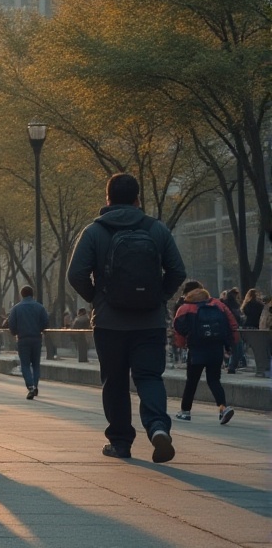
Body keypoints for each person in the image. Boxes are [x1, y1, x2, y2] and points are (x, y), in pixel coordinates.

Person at [68, 172, 186, 464]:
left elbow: (75, 274)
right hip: (149, 322)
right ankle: (158, 427)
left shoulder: (94, 231)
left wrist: (97, 297)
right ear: (137, 199)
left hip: (110, 323)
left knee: (115, 381)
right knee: (149, 376)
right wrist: (158, 297)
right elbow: (178, 272)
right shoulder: (156, 229)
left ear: (107, 199)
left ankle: (120, 442)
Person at [172, 280, 238, 425]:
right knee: (214, 380)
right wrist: (230, 345)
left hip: (196, 350)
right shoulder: (219, 305)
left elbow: (178, 329)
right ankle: (223, 408)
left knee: (192, 381)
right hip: (216, 349)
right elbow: (231, 324)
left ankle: (185, 412)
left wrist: (182, 345)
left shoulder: (185, 308)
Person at [7, 285, 49, 399]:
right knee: (36, 364)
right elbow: (46, 322)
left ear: (22, 295)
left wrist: (15, 332)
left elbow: (11, 324)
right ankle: (35, 385)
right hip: (36, 338)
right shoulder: (39, 307)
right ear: (32, 294)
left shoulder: (16, 308)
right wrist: (39, 329)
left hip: (22, 339)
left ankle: (30, 386)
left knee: (25, 364)